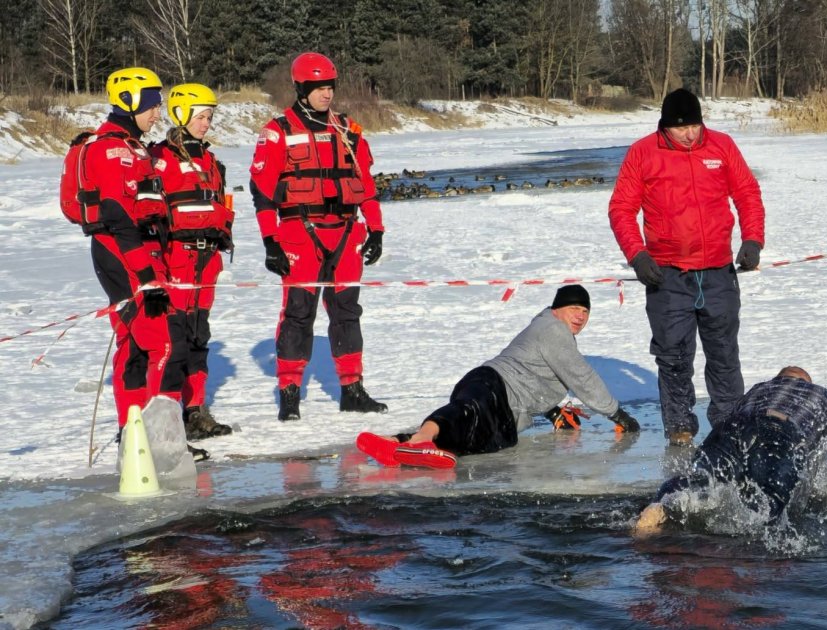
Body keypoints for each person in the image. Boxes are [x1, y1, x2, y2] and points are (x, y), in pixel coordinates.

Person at [608, 87, 765, 445]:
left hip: (717, 272)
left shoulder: (721, 146)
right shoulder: (643, 153)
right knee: (674, 356)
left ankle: (729, 427)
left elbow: (747, 193)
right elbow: (621, 210)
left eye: (695, 125)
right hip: (667, 275)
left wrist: (752, 240)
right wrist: (638, 255)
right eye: (682, 128)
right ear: (665, 127)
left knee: (724, 353)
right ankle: (679, 428)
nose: (691, 134)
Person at [355, 285, 641, 468]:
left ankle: (395, 442)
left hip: (495, 392)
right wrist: (618, 414)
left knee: (468, 434)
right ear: (557, 310)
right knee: (466, 414)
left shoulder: (545, 327)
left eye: (585, 311)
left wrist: (551, 410)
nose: (580, 316)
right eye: (573, 309)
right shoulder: (555, 331)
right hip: (495, 388)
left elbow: (532, 370)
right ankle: (419, 440)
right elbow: (583, 377)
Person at [249, 52, 388, 421]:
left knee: (347, 312)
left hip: (346, 232)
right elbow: (262, 191)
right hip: (299, 233)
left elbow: (366, 184)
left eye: (329, 87)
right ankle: (290, 392)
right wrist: (269, 240)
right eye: (318, 88)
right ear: (301, 89)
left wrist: (376, 228)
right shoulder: (277, 131)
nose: (326, 94)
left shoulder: (348, 129)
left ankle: (352, 389)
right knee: (298, 313)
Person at [60, 67, 185, 430]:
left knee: (134, 346)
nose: (158, 113)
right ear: (130, 103)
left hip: (134, 254)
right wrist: (147, 278)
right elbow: (118, 217)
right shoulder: (112, 148)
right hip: (122, 255)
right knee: (162, 341)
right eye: (152, 105)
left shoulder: (132, 146)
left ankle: (132, 435)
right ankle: (158, 434)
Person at [634, 367, 827, 537]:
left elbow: (736, 435)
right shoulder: (823, 395)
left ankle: (654, 511)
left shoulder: (759, 389)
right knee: (771, 510)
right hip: (781, 433)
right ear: (808, 382)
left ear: (778, 379)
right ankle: (754, 563)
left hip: (734, 427)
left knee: (697, 481)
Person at [150, 83, 234, 440]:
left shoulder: (211, 161)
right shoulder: (159, 157)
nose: (207, 123)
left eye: (210, 117)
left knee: (200, 335)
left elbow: (222, 204)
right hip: (175, 260)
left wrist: (225, 232)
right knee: (175, 338)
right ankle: (168, 414)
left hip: (206, 259)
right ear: (182, 115)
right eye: (201, 116)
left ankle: (196, 409)